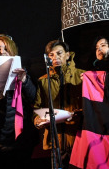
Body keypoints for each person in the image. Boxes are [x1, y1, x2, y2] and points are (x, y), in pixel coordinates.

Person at [0, 34, 38, 169]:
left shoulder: (23, 70)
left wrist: (25, 81)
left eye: (5, 49)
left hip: (19, 134)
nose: (1, 52)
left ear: (12, 50)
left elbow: (33, 98)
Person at [33, 40, 85, 169]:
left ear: (67, 55)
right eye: (51, 55)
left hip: (78, 139)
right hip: (55, 142)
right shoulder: (43, 81)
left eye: (59, 53)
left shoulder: (82, 76)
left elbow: (91, 107)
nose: (55, 57)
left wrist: (76, 114)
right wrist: (37, 120)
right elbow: (37, 107)